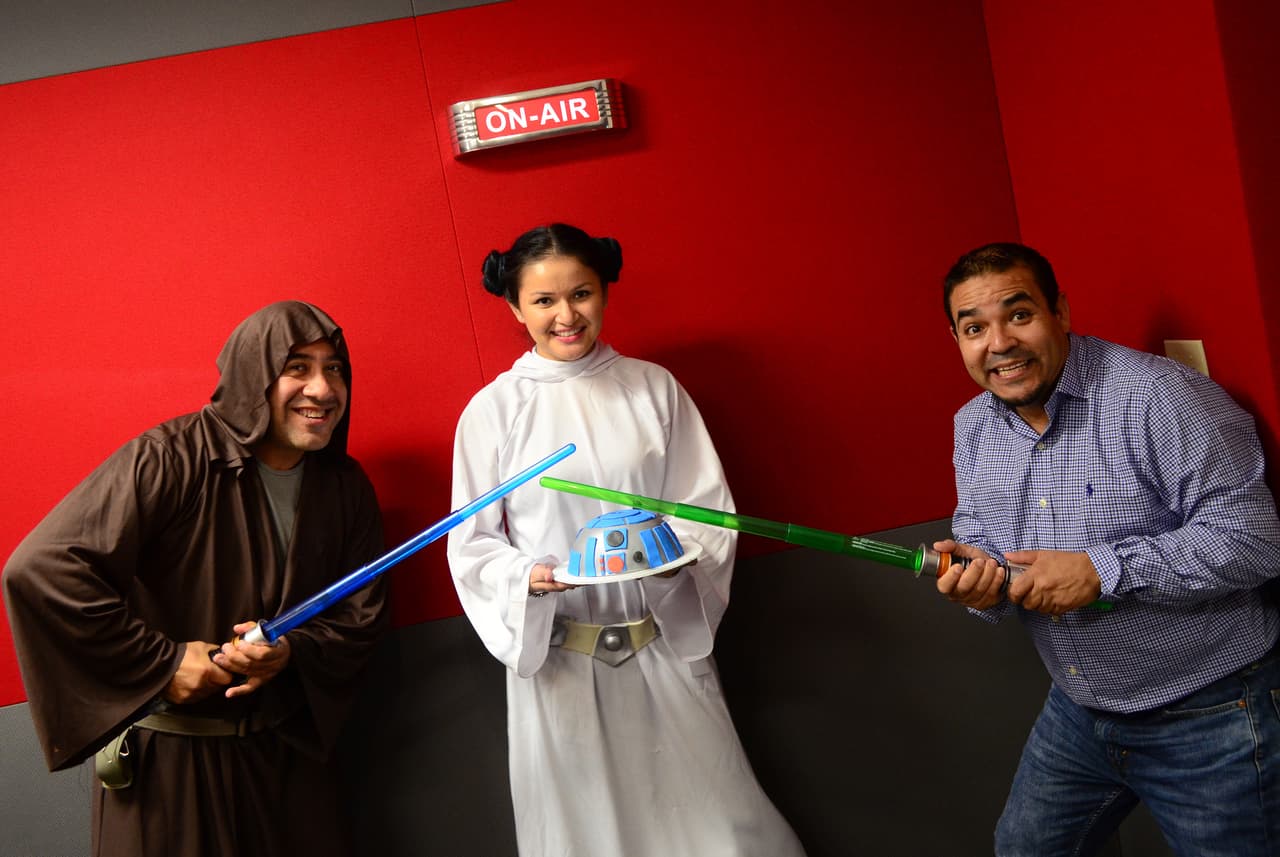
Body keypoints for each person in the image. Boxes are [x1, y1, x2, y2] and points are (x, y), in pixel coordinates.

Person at [447, 223, 805, 857]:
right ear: (514, 306)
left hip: (661, 645)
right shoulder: (493, 410)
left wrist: (673, 562)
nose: (566, 316)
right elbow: (471, 544)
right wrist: (528, 577)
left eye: (581, 294)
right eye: (544, 301)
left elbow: (705, 512)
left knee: (719, 831)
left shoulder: (652, 388)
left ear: (605, 291)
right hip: (558, 662)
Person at [2, 301, 389, 857]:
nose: (322, 389)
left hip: (286, 765)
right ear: (256, 372)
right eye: (298, 367)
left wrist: (291, 653)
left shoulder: (344, 485)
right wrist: (163, 664)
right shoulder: (169, 458)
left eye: (334, 369)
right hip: (172, 771)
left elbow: (361, 616)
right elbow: (41, 571)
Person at [933, 241, 1280, 855]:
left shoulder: (1158, 396)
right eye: (974, 328)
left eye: (1019, 314)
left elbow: (1253, 542)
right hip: (1078, 709)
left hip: (1212, 713)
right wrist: (977, 580)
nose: (1000, 343)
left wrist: (1104, 570)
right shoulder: (973, 425)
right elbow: (981, 540)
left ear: (1060, 312)